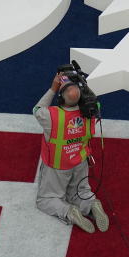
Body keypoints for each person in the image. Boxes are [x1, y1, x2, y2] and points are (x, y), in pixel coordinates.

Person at [33, 71, 109, 234]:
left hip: (58, 166)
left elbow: (37, 109)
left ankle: (68, 212)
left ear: (61, 98)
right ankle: (91, 204)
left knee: (46, 200)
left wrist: (54, 88)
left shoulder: (51, 116)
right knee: (80, 193)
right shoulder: (90, 113)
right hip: (80, 161)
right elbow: (91, 100)